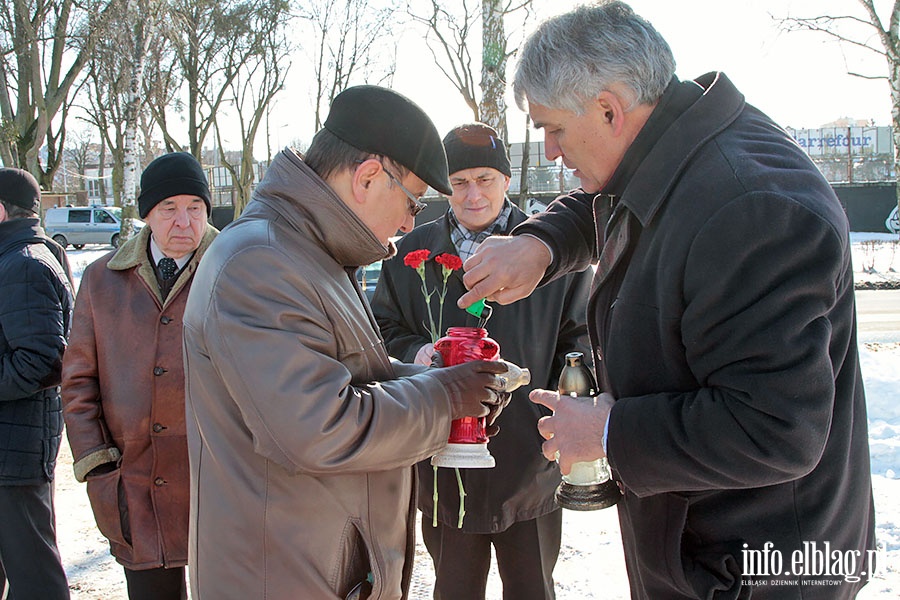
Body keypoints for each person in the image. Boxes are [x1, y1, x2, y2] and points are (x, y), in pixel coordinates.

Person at [457, 2, 876, 598]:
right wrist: (543, 245)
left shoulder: (751, 208)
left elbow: (776, 428)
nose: (549, 150)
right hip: (708, 550)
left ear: (609, 109)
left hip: (764, 569)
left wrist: (609, 434)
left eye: (553, 128)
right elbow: (619, 196)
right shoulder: (675, 144)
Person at [182, 85, 511, 600]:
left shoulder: (308, 252)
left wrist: (448, 383)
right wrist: (445, 398)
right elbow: (319, 426)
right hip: (282, 579)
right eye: (413, 201)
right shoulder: (260, 262)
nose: (409, 224)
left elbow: (357, 376)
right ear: (368, 177)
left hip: (316, 568)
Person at [371, 122, 592, 600]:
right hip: (443, 461)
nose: (473, 194)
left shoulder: (548, 250)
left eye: (486, 180)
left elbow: (580, 341)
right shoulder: (408, 252)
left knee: (532, 588)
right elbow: (382, 330)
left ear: (507, 181)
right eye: (460, 181)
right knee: (454, 589)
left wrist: (557, 411)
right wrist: (416, 353)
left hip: (529, 460)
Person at [61, 152, 217, 600]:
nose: (184, 221)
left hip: (217, 485)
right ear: (147, 213)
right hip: (134, 486)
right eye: (169, 208)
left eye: (195, 207)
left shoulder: (237, 272)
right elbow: (77, 381)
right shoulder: (101, 280)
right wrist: (97, 462)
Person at [0, 168, 72, 600]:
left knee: (35, 580)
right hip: (8, 451)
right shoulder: (14, 258)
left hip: (15, 457)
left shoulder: (24, 265)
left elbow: (44, 362)